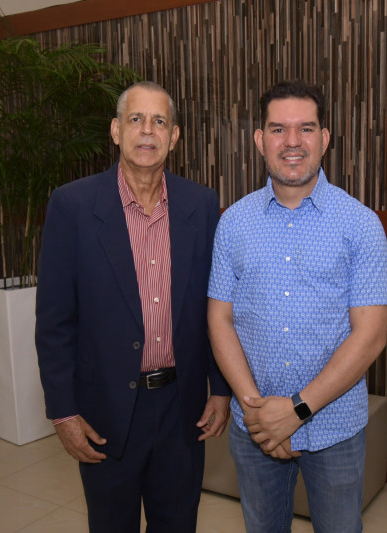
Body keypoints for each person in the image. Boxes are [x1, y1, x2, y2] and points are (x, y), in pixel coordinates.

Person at [35, 81, 231, 533]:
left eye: (159, 121)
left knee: (178, 524)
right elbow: (55, 322)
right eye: (136, 119)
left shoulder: (201, 205)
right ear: (116, 131)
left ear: (175, 136)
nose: (148, 131)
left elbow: (214, 306)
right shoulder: (73, 205)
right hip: (106, 410)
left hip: (182, 408)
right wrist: (63, 412)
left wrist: (219, 388)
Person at [207, 80, 387, 533]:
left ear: (324, 138)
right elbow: (220, 318)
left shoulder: (361, 224)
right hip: (254, 429)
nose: (292, 142)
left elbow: (370, 336)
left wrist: (295, 412)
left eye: (305, 128)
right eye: (278, 129)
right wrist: (256, 410)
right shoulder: (233, 223)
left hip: (334, 429)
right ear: (260, 140)